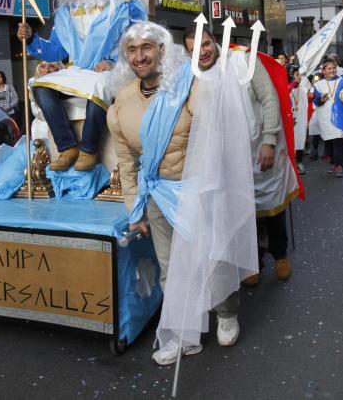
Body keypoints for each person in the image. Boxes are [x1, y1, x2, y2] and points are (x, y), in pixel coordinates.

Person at [108, 21, 256, 365]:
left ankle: (227, 311)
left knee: (213, 257)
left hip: (198, 190)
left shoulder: (188, 86)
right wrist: (135, 209)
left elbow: (215, 137)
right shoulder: (122, 101)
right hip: (158, 196)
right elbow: (127, 162)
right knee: (170, 267)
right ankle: (182, 333)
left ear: (163, 50)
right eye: (132, 50)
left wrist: (205, 181)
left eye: (147, 48)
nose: (140, 56)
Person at [182, 27, 301, 288]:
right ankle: (252, 261)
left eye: (204, 45)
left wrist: (269, 141)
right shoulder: (196, 76)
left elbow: (269, 98)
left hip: (261, 148)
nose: (201, 53)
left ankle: (280, 255)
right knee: (243, 210)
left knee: (272, 205)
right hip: (230, 156)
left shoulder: (243, 60)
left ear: (214, 41)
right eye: (193, 50)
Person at [18, 0, 147, 172]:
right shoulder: (67, 15)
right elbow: (55, 51)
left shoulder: (124, 8)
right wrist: (31, 38)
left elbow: (139, 41)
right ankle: (68, 147)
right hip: (77, 70)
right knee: (40, 87)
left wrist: (112, 61)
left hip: (112, 68)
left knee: (98, 86)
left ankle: (89, 150)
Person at [312, 59, 343, 177]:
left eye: (334, 68)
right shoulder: (318, 85)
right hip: (325, 115)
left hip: (340, 114)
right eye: (329, 68)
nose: (332, 70)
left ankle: (339, 165)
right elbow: (316, 101)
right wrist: (320, 100)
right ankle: (333, 162)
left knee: (338, 138)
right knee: (329, 139)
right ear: (323, 71)